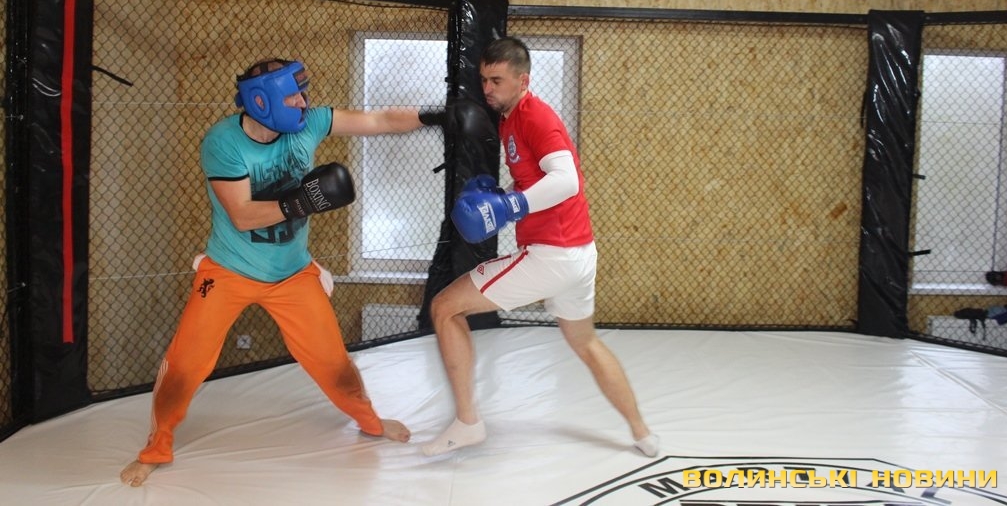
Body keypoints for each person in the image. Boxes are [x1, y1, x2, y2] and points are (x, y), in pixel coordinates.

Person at [121, 58, 440, 487]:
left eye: (303, 93)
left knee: (334, 364)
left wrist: (434, 116)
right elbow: (242, 215)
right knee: (184, 365)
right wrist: (303, 201)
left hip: (293, 274)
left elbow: (379, 119)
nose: (303, 102)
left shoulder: (308, 123)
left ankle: (370, 421)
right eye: (293, 96)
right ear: (261, 101)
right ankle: (155, 448)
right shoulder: (223, 142)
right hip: (229, 270)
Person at [422, 37, 659, 458]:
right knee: (585, 343)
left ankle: (467, 423)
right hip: (580, 255)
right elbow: (539, 181)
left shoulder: (535, 116)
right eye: (484, 80)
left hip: (551, 255)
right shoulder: (511, 118)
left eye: (497, 81)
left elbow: (567, 180)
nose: (488, 88)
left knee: (445, 307)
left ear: (523, 80)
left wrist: (513, 204)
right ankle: (643, 434)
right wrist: (507, 193)